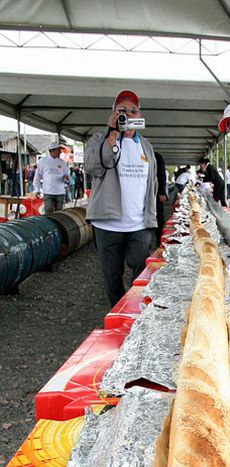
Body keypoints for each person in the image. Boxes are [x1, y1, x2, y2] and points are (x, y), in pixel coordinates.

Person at [84, 89, 157, 307]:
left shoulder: (146, 146)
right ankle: (118, 313)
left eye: (133, 110)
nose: (129, 114)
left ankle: (136, 311)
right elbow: (93, 167)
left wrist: (152, 219)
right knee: (111, 275)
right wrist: (111, 133)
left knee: (140, 270)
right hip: (108, 223)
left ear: (139, 115)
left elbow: (151, 183)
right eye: (122, 110)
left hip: (138, 223)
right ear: (113, 114)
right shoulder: (100, 139)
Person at [33, 139, 70, 213]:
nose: (60, 152)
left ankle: (59, 224)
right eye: (58, 150)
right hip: (48, 191)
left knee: (59, 212)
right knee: (49, 210)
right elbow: (37, 176)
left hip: (60, 191)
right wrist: (37, 189)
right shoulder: (43, 161)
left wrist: (66, 178)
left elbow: (67, 176)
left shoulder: (62, 162)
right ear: (52, 151)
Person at [154, 150, 167, 242]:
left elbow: (162, 175)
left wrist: (162, 192)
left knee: (158, 215)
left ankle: (159, 239)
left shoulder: (157, 156)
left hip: (156, 192)